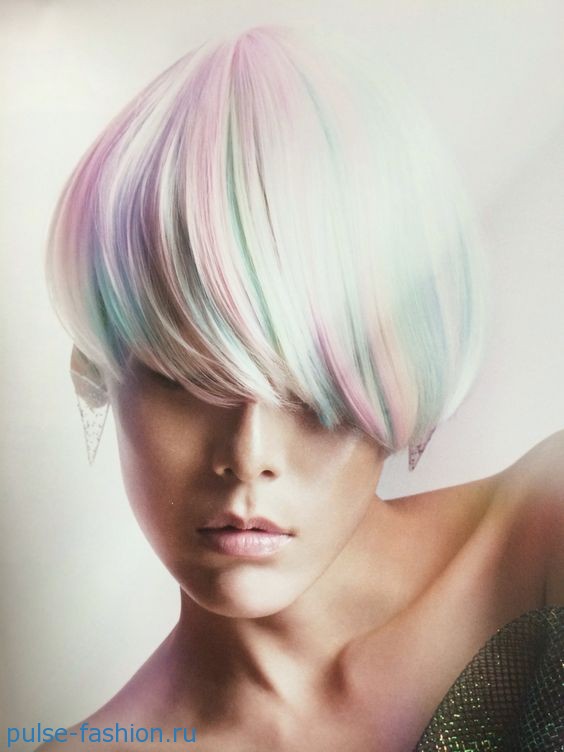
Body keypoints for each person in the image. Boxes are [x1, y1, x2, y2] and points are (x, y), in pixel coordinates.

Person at [39, 24, 563, 752]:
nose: (248, 456)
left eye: (315, 390)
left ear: (405, 372)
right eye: (192, 381)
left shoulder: (545, 544)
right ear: (98, 375)